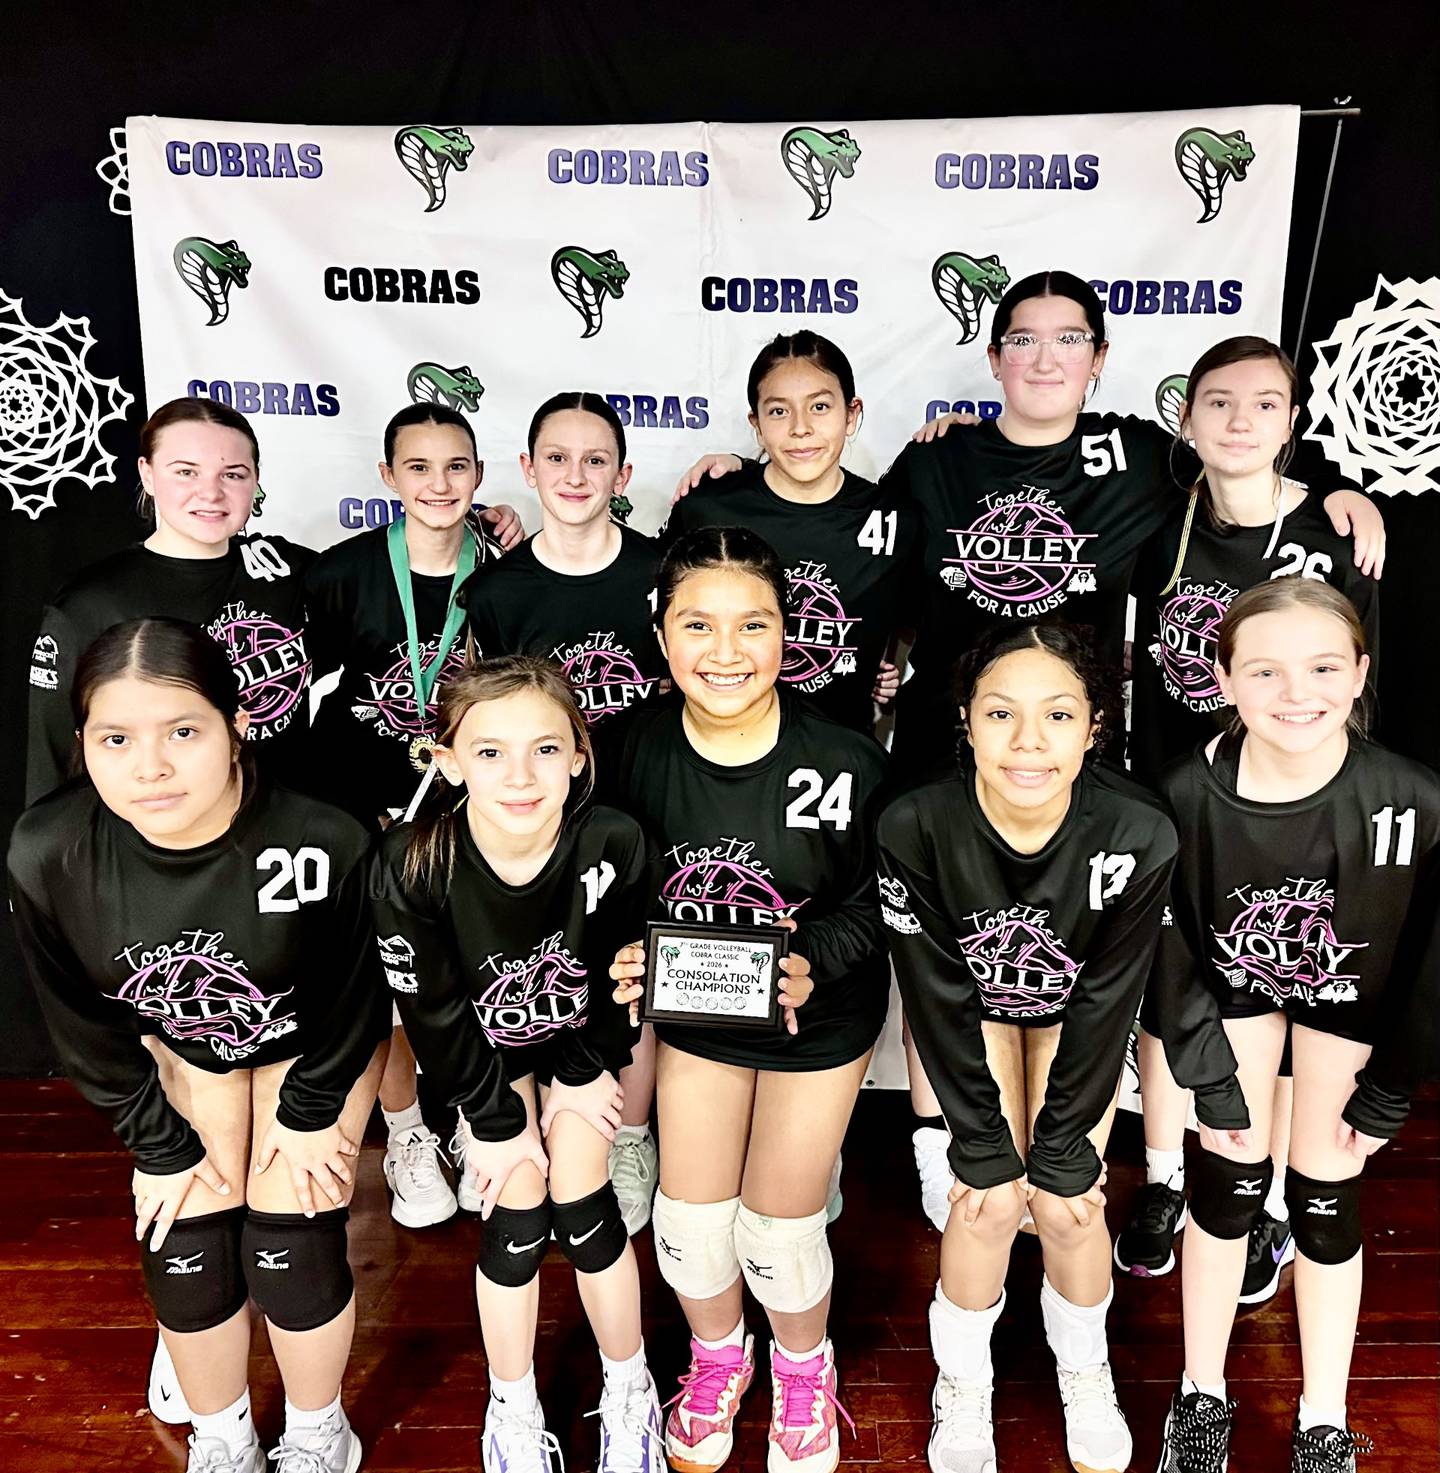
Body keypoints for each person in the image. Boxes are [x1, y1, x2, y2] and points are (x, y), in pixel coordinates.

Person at [673, 275, 1383, 1228]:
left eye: (1068, 339)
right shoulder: (939, 458)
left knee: (1054, 952)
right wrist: (734, 472)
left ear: (1099, 358)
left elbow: (1241, 466)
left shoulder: (1143, 456)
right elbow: (829, 507)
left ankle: (1062, 1144)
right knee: (938, 949)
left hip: (1066, 754)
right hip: (945, 749)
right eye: (1024, 339)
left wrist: (1333, 493)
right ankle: (942, 1141)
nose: (1046, 358)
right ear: (995, 354)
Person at [7, 618, 390, 1473]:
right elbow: (80, 1023)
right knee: (187, 1236)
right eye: (116, 738)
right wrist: (158, 1143)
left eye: (183, 731)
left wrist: (311, 1112)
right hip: (185, 1046)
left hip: (313, 1044)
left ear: (237, 725)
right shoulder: (50, 850)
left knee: (290, 1232)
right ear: (82, 742)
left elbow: (357, 994)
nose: (150, 766)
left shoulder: (326, 833)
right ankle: (224, 1438)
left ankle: (318, 1431)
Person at [609, 527, 889, 1473]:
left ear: (786, 631)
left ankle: (806, 1365)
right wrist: (621, 956)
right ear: (660, 634)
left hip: (821, 1019)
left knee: (777, 1231)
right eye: (698, 624)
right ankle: (719, 1355)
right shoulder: (627, 750)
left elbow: (883, 902)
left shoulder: (845, 757)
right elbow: (601, 884)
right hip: (701, 1018)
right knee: (690, 1226)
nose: (725, 651)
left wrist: (813, 957)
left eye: (753, 624)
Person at [1151, 579, 1439, 1473]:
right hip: (1234, 992)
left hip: (1350, 999)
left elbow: (1430, 963)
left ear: (1359, 672)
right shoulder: (1182, 793)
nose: (1295, 692)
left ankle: (1323, 1416)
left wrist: (1391, 1087)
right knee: (1226, 1185)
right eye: (1264, 670)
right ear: (1223, 679)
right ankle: (1201, 1395)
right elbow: (1168, 949)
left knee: (1325, 1200)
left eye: (1321, 668)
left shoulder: (1413, 796)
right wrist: (1208, 1077)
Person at [877, 620, 1176, 1473]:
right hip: (974, 1010)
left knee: (1068, 1202)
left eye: (1058, 715)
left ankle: (1086, 1370)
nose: (1028, 741)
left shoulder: (1139, 829)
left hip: (1072, 1016)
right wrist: (981, 1143)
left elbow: (1110, 999)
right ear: (966, 720)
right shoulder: (915, 823)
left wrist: (1065, 1147)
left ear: (1094, 727)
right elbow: (936, 996)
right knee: (986, 1200)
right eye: (1001, 713)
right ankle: (963, 1381)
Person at [1117, 338, 1379, 1304]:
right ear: (1186, 417)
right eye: (1218, 402)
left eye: (1265, 403)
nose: (1239, 420)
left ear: (1293, 421)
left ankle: (1259, 1191)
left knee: (1274, 981)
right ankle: (1164, 1176)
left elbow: (1359, 681)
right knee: (1170, 982)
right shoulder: (1158, 521)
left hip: (1289, 804)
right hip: (1176, 797)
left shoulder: (1335, 530)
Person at [369, 655, 662, 1473]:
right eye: (490, 751)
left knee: (583, 1195)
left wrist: (583, 1070)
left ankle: (630, 1386)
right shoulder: (412, 861)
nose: (520, 774)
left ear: (578, 754)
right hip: (481, 1060)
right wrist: (496, 1123)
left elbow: (623, 975)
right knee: (518, 1204)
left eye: (545, 748)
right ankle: (513, 1403)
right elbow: (433, 1014)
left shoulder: (614, 840)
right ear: (449, 760)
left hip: (578, 1047)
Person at [305, 403, 518, 1233]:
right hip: (364, 807)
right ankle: (405, 1132)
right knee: (381, 978)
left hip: (471, 806)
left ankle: (472, 1113)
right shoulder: (341, 574)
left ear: (479, 474)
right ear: (388, 476)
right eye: (419, 467)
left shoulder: (504, 570)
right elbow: (294, 693)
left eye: (457, 465)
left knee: (470, 967)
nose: (439, 483)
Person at [462, 391, 666, 1233]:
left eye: (595, 459)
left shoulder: (661, 572)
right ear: (527, 468)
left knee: (634, 970)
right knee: (538, 965)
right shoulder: (496, 590)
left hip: (646, 806)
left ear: (623, 473)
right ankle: (518, 1121)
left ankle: (631, 1133)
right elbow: (485, 710)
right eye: (557, 457)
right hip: (538, 819)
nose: (575, 475)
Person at [26, 398, 315, 802]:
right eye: (185, 472)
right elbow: (52, 762)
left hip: (286, 825)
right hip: (156, 830)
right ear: (147, 474)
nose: (211, 493)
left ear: (255, 480)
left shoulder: (294, 572)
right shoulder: (91, 603)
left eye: (232, 474)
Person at [659, 331, 913, 733]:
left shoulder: (893, 516)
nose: (800, 428)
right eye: (779, 411)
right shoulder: (708, 507)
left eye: (820, 407)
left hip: (838, 749)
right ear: (756, 424)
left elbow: (928, 620)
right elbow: (659, 615)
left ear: (851, 414)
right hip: (715, 742)